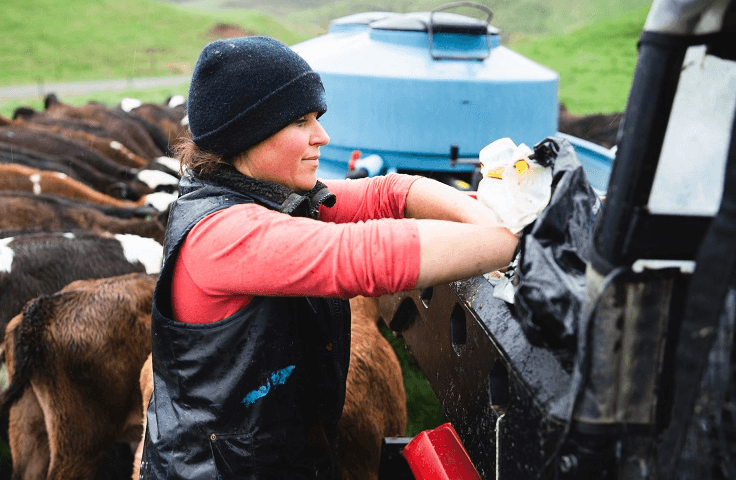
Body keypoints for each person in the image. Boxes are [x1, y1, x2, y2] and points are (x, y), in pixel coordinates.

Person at [140, 36, 518, 480]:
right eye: (301, 121)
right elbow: (367, 256)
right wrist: (522, 242)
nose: (323, 136)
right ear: (247, 132)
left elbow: (390, 193)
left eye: (317, 117)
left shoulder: (273, 197)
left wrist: (486, 218)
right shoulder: (221, 234)